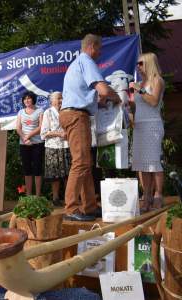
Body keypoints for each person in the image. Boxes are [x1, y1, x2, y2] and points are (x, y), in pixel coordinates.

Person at [60, 34, 121, 222]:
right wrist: (116, 97)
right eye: (100, 48)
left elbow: (89, 96)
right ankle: (71, 208)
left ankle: (89, 207)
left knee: (85, 162)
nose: (100, 53)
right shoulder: (86, 61)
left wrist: (101, 103)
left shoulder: (77, 63)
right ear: (92, 46)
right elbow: (103, 90)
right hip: (77, 115)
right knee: (80, 162)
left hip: (75, 113)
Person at [129, 53, 165, 212]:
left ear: (149, 63)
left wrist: (140, 90)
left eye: (141, 63)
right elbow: (136, 106)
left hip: (152, 125)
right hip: (139, 126)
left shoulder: (157, 80)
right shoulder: (139, 83)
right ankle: (147, 195)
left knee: (154, 162)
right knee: (142, 164)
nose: (138, 66)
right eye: (137, 64)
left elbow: (154, 101)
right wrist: (129, 108)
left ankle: (158, 194)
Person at [40, 92, 71, 206]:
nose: (61, 100)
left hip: (67, 145)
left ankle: (69, 198)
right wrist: (58, 134)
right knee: (55, 176)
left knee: (68, 174)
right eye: (58, 98)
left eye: (62, 98)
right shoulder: (48, 113)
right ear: (52, 101)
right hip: (52, 147)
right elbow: (43, 134)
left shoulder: (67, 111)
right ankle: (55, 198)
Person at [16, 91, 44, 196]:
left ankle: (37, 195)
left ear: (33, 99)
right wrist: (24, 138)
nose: (27, 100)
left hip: (37, 144)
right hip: (24, 144)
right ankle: (28, 195)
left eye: (29, 98)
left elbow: (41, 127)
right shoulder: (20, 112)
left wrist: (28, 136)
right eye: (25, 99)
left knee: (37, 169)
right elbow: (18, 128)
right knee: (27, 170)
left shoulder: (40, 110)